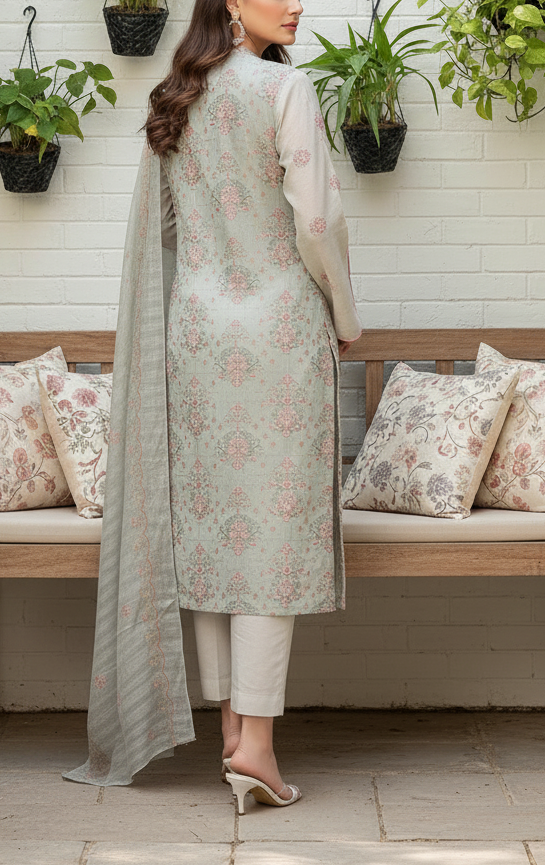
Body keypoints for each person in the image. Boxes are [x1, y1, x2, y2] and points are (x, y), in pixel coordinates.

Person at [63, 0, 362, 814]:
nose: (296, 3)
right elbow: (315, 221)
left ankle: (231, 729)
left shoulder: (177, 95)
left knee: (209, 530)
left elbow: (163, 229)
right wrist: (343, 313)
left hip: (192, 334)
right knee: (269, 538)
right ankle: (256, 745)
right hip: (277, 332)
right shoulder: (281, 89)